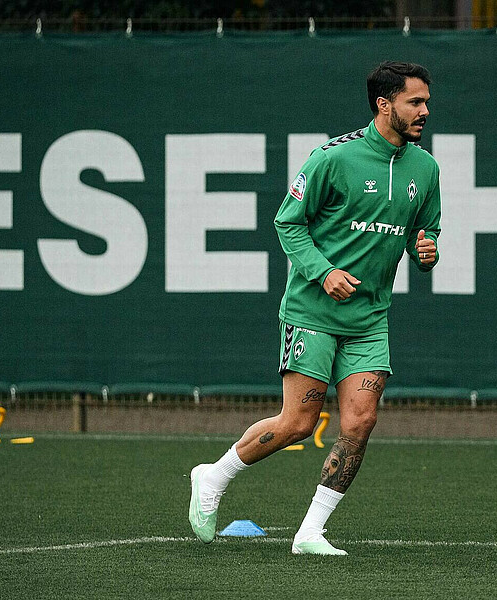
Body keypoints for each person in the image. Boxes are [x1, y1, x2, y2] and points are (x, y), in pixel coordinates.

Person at [189, 61, 442, 554]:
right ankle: (213, 477)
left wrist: (426, 250)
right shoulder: (332, 158)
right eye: (415, 102)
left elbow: (423, 231)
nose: (425, 111)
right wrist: (324, 272)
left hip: (369, 317)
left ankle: (310, 533)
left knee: (360, 422)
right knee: (298, 424)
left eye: (427, 101)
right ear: (383, 104)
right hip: (312, 312)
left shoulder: (426, 169)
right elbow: (288, 222)